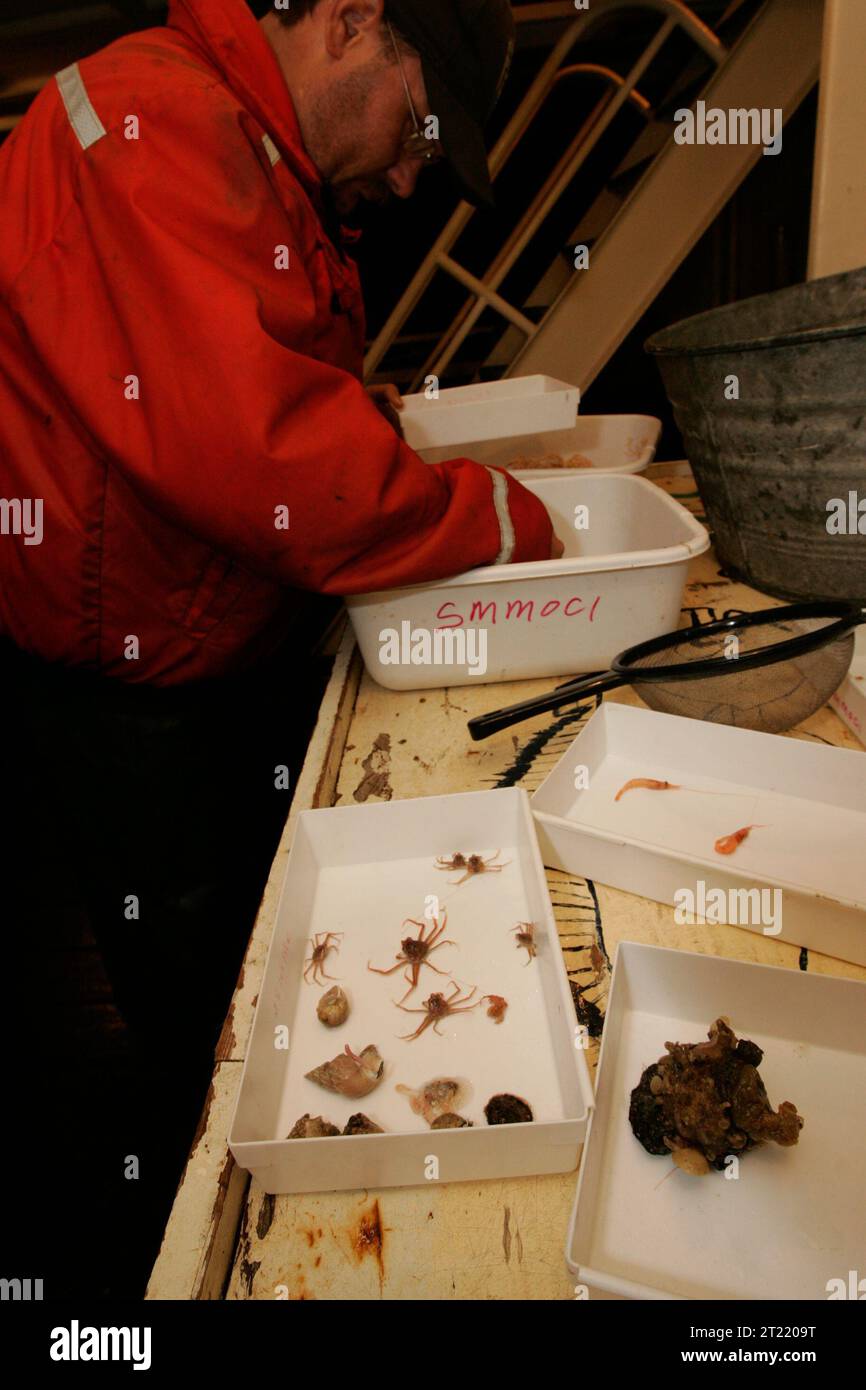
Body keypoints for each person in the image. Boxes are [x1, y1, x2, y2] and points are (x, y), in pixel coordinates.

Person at [0, 0, 563, 1288]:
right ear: (358, 21)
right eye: (423, 127)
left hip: (216, 661)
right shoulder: (156, 121)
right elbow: (261, 453)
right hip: (137, 710)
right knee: (222, 1012)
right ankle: (223, 1230)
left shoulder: (247, 142)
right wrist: (497, 516)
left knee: (283, 968)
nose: (418, 171)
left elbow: (277, 383)